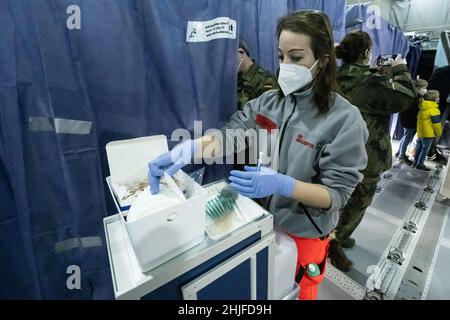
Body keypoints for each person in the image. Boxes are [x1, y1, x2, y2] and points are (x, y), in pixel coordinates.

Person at [148, 10, 368, 300]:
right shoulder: (269, 102)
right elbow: (231, 135)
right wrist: (191, 148)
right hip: (260, 218)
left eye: (297, 57)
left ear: (323, 59)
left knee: (297, 293)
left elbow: (336, 196)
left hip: (304, 232)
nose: (285, 65)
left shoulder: (343, 120)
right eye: (281, 56)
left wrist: (284, 185)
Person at [329, 31, 417, 272]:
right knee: (358, 201)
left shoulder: (331, 78)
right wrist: (399, 69)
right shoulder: (370, 82)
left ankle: (326, 235)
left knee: (332, 197)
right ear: (367, 53)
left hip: (333, 154)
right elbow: (407, 98)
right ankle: (339, 238)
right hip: (366, 157)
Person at [237, 38, 278, 110]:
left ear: (241, 53)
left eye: (228, 58)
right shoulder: (233, 80)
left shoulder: (265, 81)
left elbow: (268, 115)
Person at [395, 78, 428, 165]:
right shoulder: (415, 97)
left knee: (405, 136)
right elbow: (414, 110)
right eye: (424, 88)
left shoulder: (413, 95)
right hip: (409, 121)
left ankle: (399, 152)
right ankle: (401, 155)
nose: (426, 90)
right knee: (407, 137)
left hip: (407, 119)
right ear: (418, 88)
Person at [413, 90, 443, 171]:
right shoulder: (434, 109)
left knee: (419, 147)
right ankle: (420, 164)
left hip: (421, 131)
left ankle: (415, 163)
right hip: (429, 133)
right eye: (437, 97)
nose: (439, 99)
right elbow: (436, 124)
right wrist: (439, 133)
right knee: (425, 149)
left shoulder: (422, 106)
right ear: (434, 99)